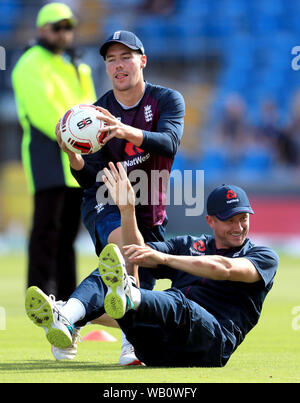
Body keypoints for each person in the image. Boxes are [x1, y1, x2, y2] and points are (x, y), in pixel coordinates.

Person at [25, 162, 279, 367]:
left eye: (243, 218)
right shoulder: (189, 244)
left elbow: (225, 269)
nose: (239, 227)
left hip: (212, 344)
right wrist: (127, 211)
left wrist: (166, 259)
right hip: (159, 349)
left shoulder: (263, 256)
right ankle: (70, 314)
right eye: (230, 220)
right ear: (211, 221)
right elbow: (135, 253)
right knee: (118, 267)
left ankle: (126, 297)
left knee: (178, 303)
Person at [55, 30, 185, 364]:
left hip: (149, 209)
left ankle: (68, 315)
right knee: (124, 253)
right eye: (111, 59)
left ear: (142, 61)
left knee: (139, 289)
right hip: (104, 200)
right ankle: (127, 342)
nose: (118, 65)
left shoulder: (167, 100)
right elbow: (88, 177)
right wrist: (73, 155)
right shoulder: (94, 115)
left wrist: (125, 131)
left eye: (125, 57)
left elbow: (169, 142)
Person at [11, 3, 96, 301]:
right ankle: (40, 294)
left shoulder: (77, 64)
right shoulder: (30, 63)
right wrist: (81, 136)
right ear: (41, 29)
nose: (64, 33)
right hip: (47, 154)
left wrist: (88, 141)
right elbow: (42, 113)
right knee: (47, 229)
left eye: (68, 27)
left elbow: (92, 107)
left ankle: (69, 299)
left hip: (77, 158)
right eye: (57, 27)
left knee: (68, 236)